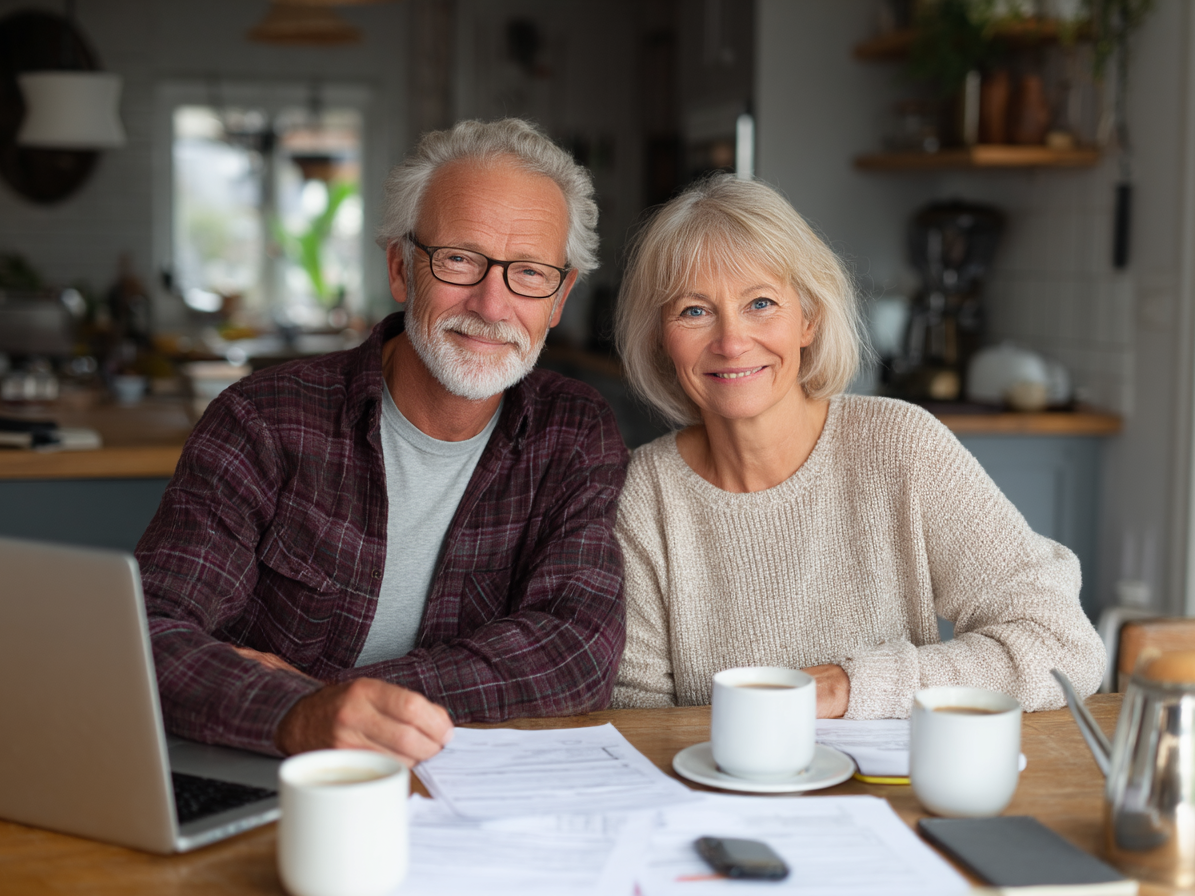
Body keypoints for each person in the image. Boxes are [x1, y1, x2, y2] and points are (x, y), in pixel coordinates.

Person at [139, 119, 629, 765]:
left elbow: (574, 650)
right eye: (460, 258)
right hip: (267, 772)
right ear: (402, 269)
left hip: (457, 781)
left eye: (530, 273)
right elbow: (147, 632)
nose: (491, 303)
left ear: (559, 297)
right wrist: (295, 718)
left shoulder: (573, 432)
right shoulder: (263, 420)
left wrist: (324, 701)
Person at [609, 174, 1105, 718]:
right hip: (725, 795)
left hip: (893, 798)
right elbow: (641, 724)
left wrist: (848, 685)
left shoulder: (900, 447)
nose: (731, 341)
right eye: (694, 311)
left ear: (809, 319)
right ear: (660, 337)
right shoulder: (642, 497)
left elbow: (1064, 648)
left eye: (761, 303)